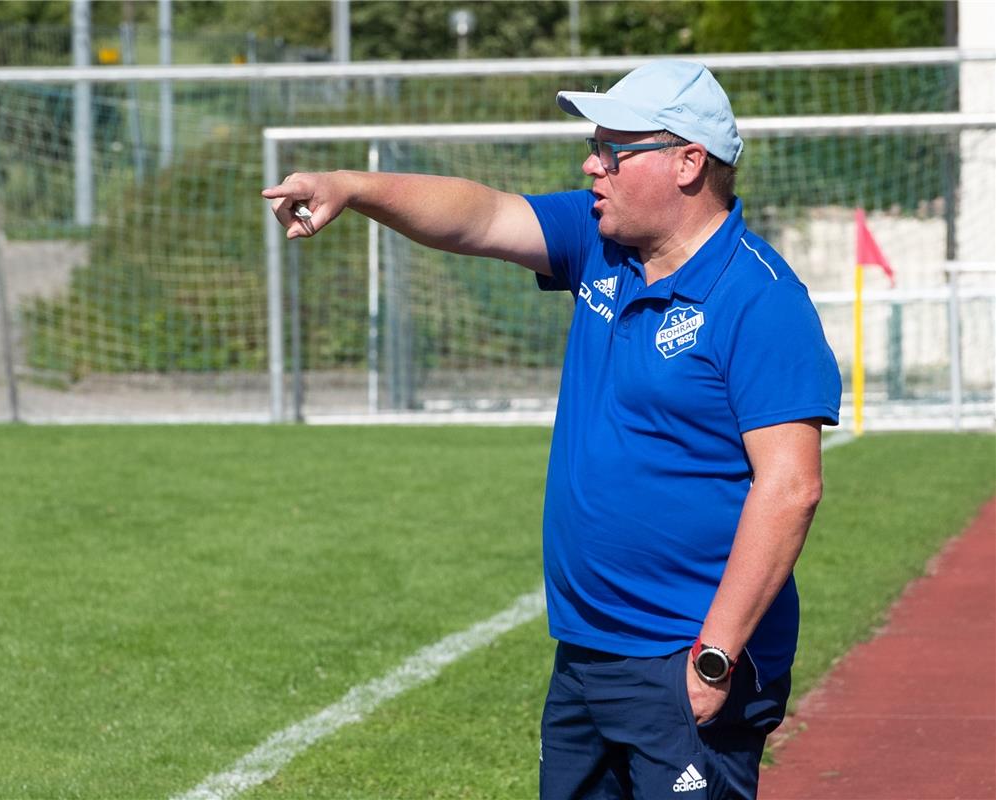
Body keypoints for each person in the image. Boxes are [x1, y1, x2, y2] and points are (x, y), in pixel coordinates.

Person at [262, 60, 841, 800]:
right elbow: (478, 216)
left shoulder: (761, 300)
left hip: (683, 657)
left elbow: (790, 488)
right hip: (586, 652)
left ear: (688, 162)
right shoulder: (600, 243)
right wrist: (355, 186)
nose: (590, 164)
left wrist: (714, 659)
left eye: (612, 150)